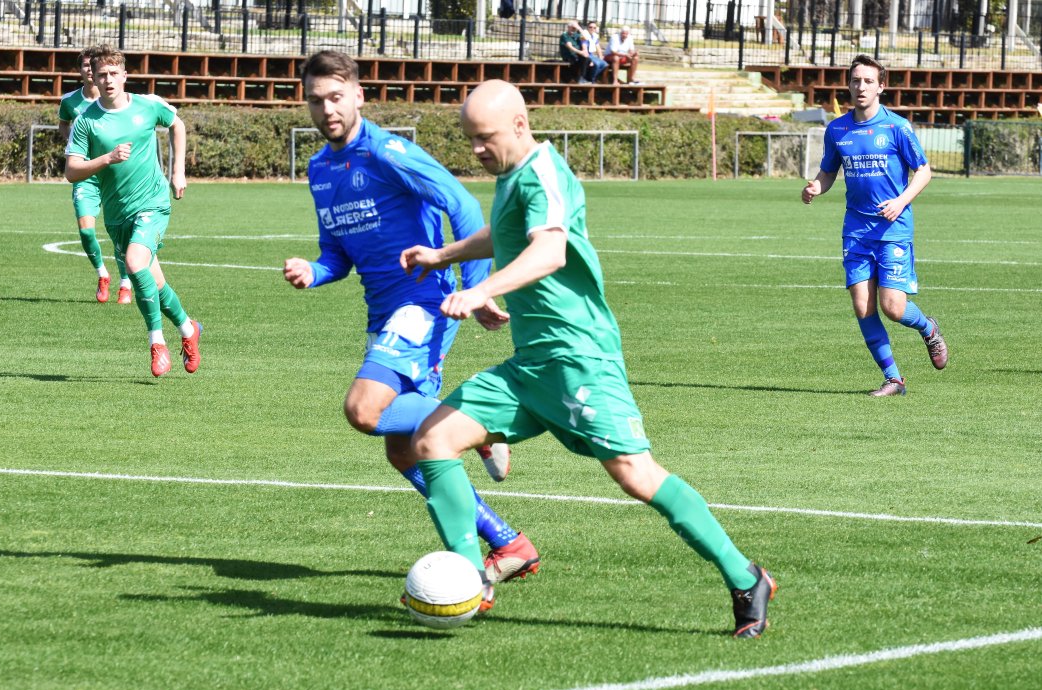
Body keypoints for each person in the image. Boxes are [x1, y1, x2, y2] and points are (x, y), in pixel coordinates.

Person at [400, 80, 775, 637]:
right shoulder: (512, 175)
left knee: (635, 475)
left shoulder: (544, 174)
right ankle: (470, 580)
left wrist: (481, 290)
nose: (476, 149)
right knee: (432, 440)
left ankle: (745, 578)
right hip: (531, 364)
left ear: (520, 125)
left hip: (580, 358)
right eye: (470, 139)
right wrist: (444, 255)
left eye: (485, 137)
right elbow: (506, 234)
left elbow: (549, 251)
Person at [283, 51, 540, 585]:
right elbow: (337, 255)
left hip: (423, 302)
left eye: (336, 97)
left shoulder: (389, 152)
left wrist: (476, 289)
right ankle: (508, 542)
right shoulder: (320, 169)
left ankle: (480, 428)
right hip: (384, 313)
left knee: (363, 409)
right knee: (405, 451)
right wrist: (314, 270)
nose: (327, 109)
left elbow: (463, 206)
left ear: (358, 95)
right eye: (316, 100)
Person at [802, 55, 948, 396]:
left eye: (868, 81)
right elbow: (828, 172)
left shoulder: (896, 127)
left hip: (892, 229)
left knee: (893, 307)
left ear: (881, 86)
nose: (861, 87)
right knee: (862, 306)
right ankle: (893, 379)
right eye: (856, 80)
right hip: (856, 230)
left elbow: (923, 171)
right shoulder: (837, 129)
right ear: (848, 85)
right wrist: (816, 187)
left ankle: (928, 328)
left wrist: (901, 201)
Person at [65, 44, 202, 378]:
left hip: (153, 204)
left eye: (114, 73)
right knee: (154, 284)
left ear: (125, 75)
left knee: (134, 263)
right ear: (94, 78)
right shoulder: (86, 122)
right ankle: (188, 329)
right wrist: (106, 159)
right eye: (102, 74)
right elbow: (71, 170)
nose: (108, 80)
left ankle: (157, 343)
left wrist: (178, 172)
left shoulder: (147, 106)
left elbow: (177, 124)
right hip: (117, 214)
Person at [57, 46, 131, 305]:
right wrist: (74, 147)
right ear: (80, 71)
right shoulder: (69, 101)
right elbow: (63, 124)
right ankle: (102, 274)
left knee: (119, 233)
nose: (90, 70)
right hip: (87, 174)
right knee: (86, 231)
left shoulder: (117, 100)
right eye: (86, 66)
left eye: (93, 65)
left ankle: (125, 283)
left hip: (113, 174)